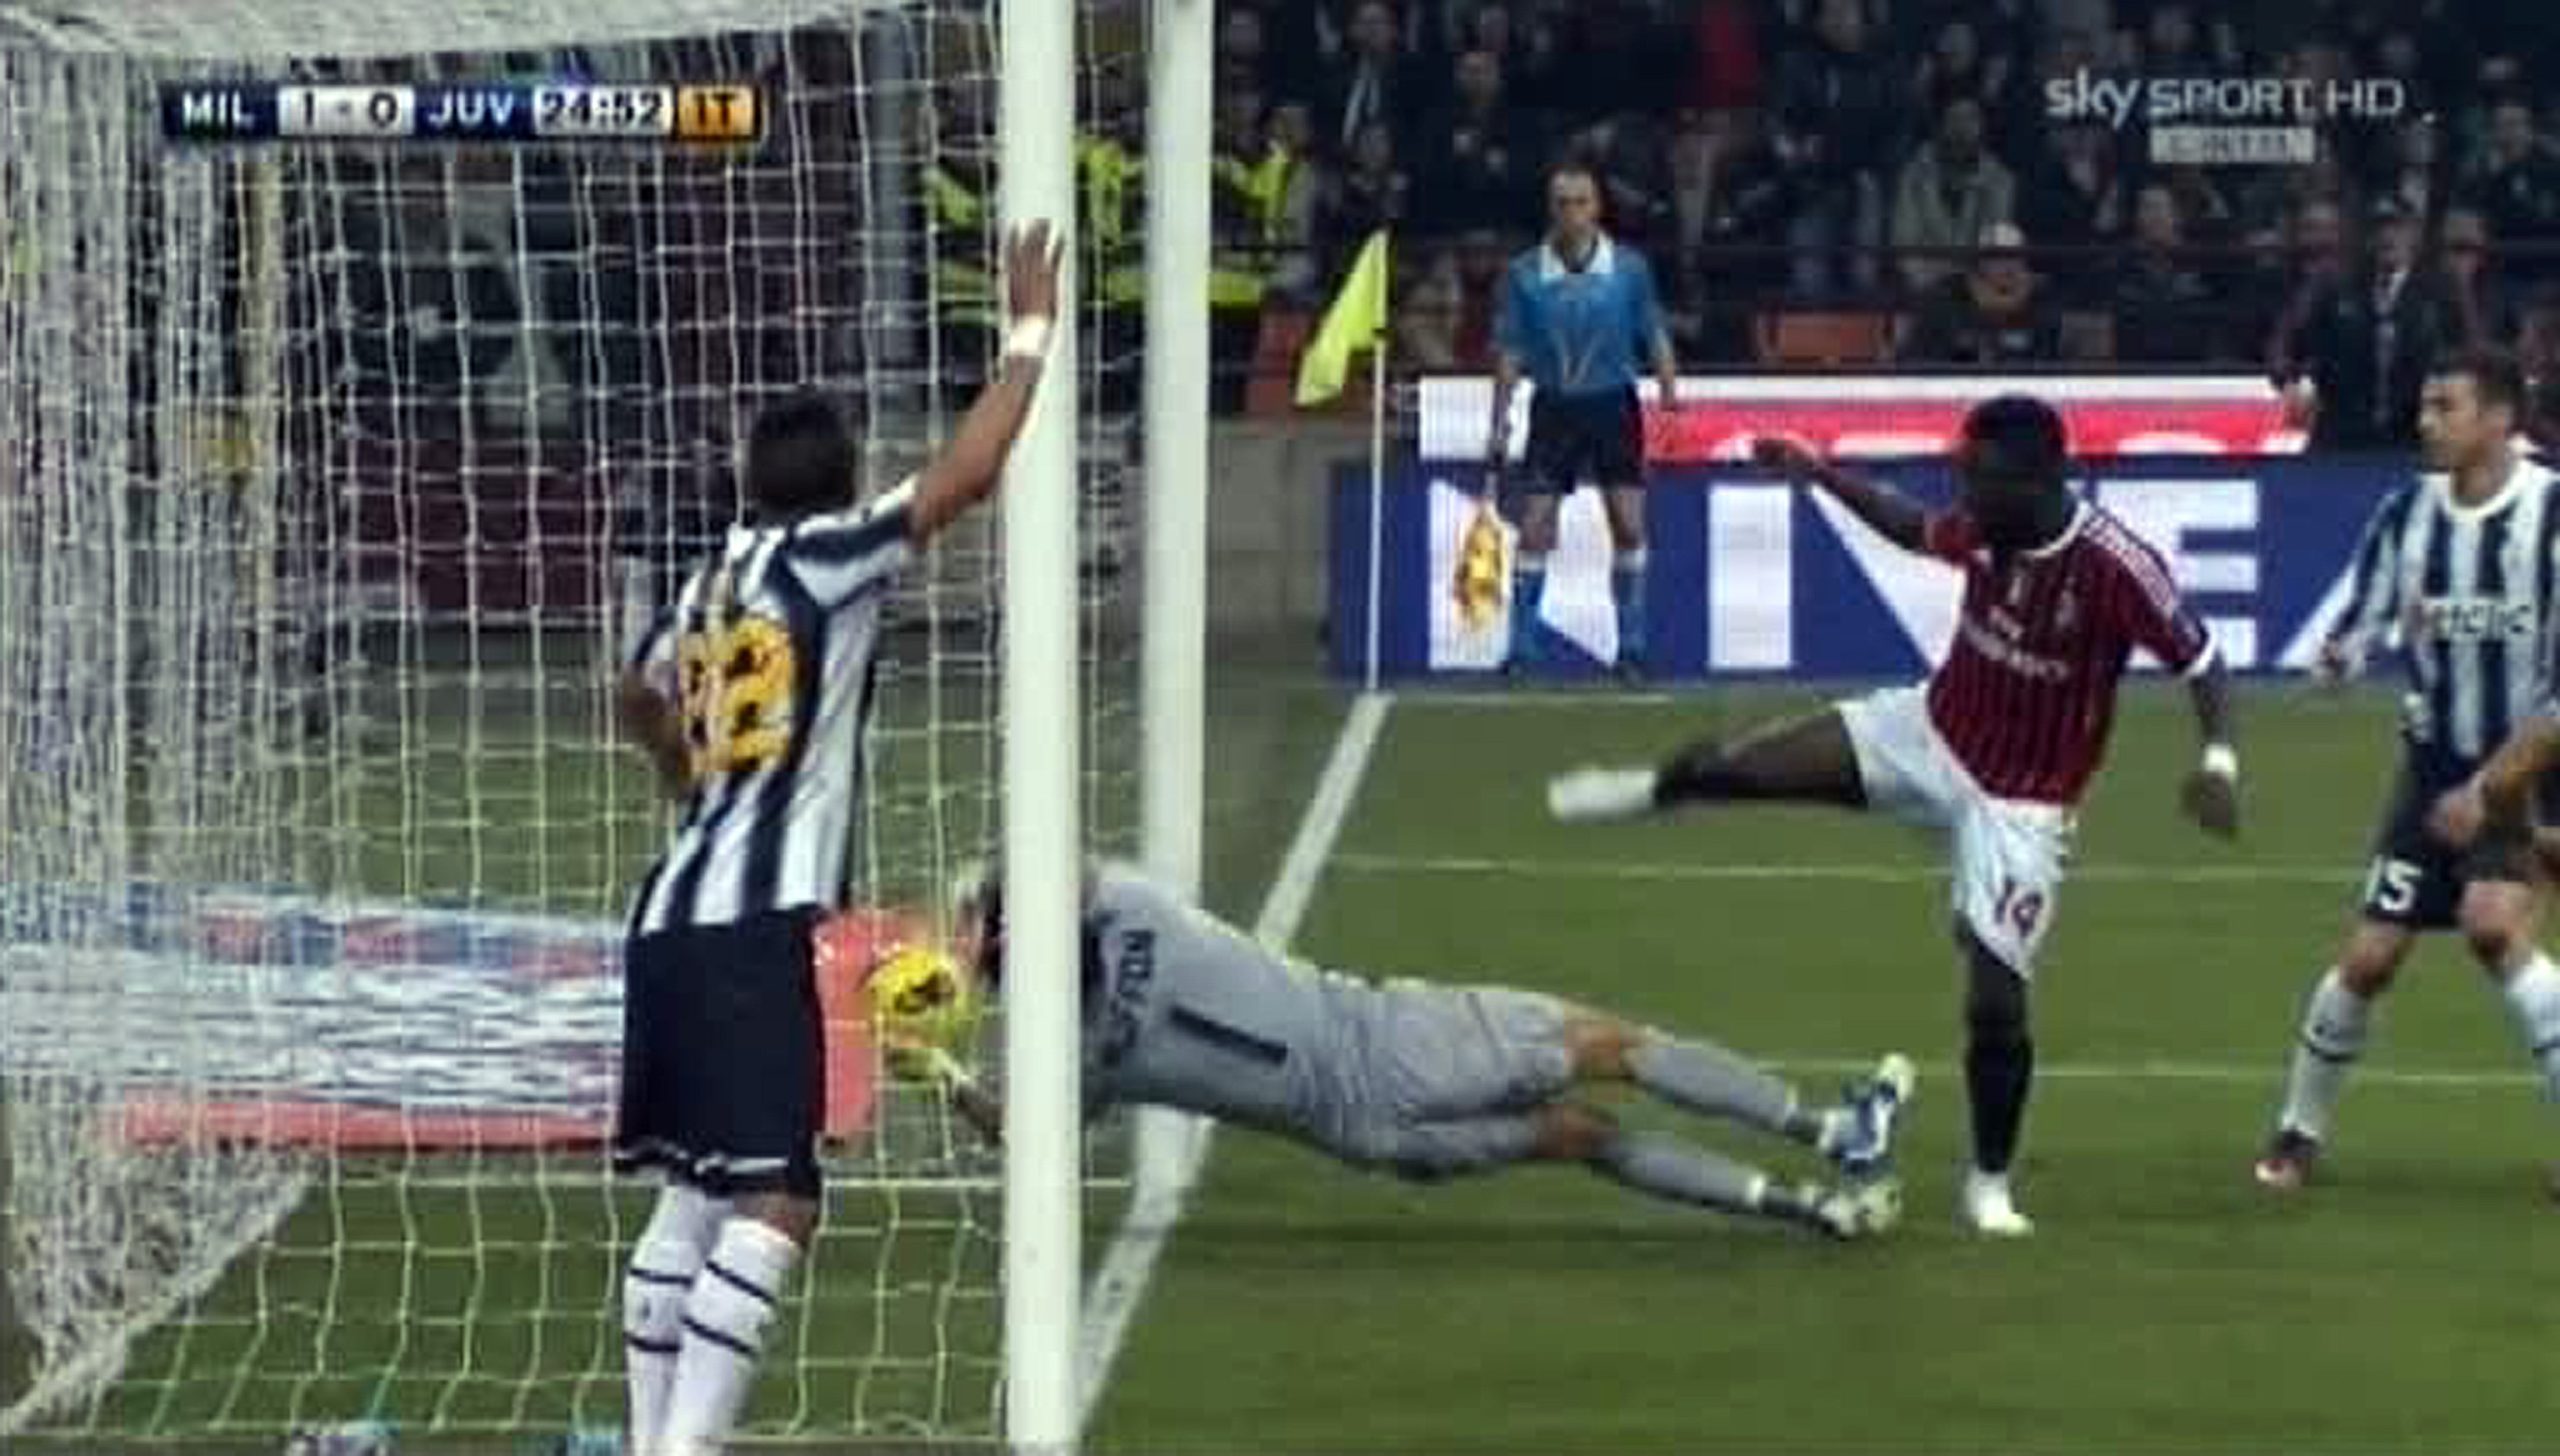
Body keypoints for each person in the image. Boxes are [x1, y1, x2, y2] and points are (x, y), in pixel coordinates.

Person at [1545, 395, 2239, 1237]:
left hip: (2020, 803)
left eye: (1979, 480)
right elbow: (1913, 528)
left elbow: (2203, 659)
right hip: (1929, 732)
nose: (1965, 495)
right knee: (1744, 769)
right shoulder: (1990, 523)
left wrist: (2217, 762)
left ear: (2038, 481)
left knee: (1996, 1005)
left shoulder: (2114, 566)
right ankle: (1654, 792)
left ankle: (1989, 1184)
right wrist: (1818, 474)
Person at [608, 224, 1062, 1456]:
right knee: (780, 1195)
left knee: (692, 1194)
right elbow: (961, 480)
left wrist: (685, 771)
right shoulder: (819, 559)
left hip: (669, 916)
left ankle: (654, 1440)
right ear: (839, 477)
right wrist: (1030, 333)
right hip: (752, 928)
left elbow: (636, 692)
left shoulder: (706, 580)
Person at [918, 860, 1914, 1240]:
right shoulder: (1136, 910)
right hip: (1386, 1039)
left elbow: (1018, 1131)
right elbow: (1066, 868)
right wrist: (980, 917)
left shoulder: (1081, 1055)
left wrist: (940, 1068)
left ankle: (1812, 1209)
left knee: (1582, 1138)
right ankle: (1833, 1133)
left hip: (1364, 1134)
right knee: (1614, 1047)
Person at [2254, 347, 2560, 1193]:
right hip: (2431, 773)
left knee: (2492, 927)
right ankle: (2297, 1133)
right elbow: (2361, 618)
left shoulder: (2551, 513)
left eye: (2445, 407)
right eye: (2425, 406)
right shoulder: (2406, 513)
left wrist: (2490, 790)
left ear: (2499, 417)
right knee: (2369, 958)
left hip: (2528, 766)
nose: (2426, 423)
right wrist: (2339, 656)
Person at [1489, 161, 1679, 676]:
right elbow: (1510, 350)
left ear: (1597, 208)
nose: (1571, 212)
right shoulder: (1524, 274)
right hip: (1554, 406)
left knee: (1629, 524)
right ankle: (1522, 650)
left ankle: (1632, 648)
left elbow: (1653, 331)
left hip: (1613, 405)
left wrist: (1669, 396)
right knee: (1534, 527)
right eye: (1562, 203)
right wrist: (1499, 420)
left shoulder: (1630, 269)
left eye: (1581, 202)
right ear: (1549, 210)